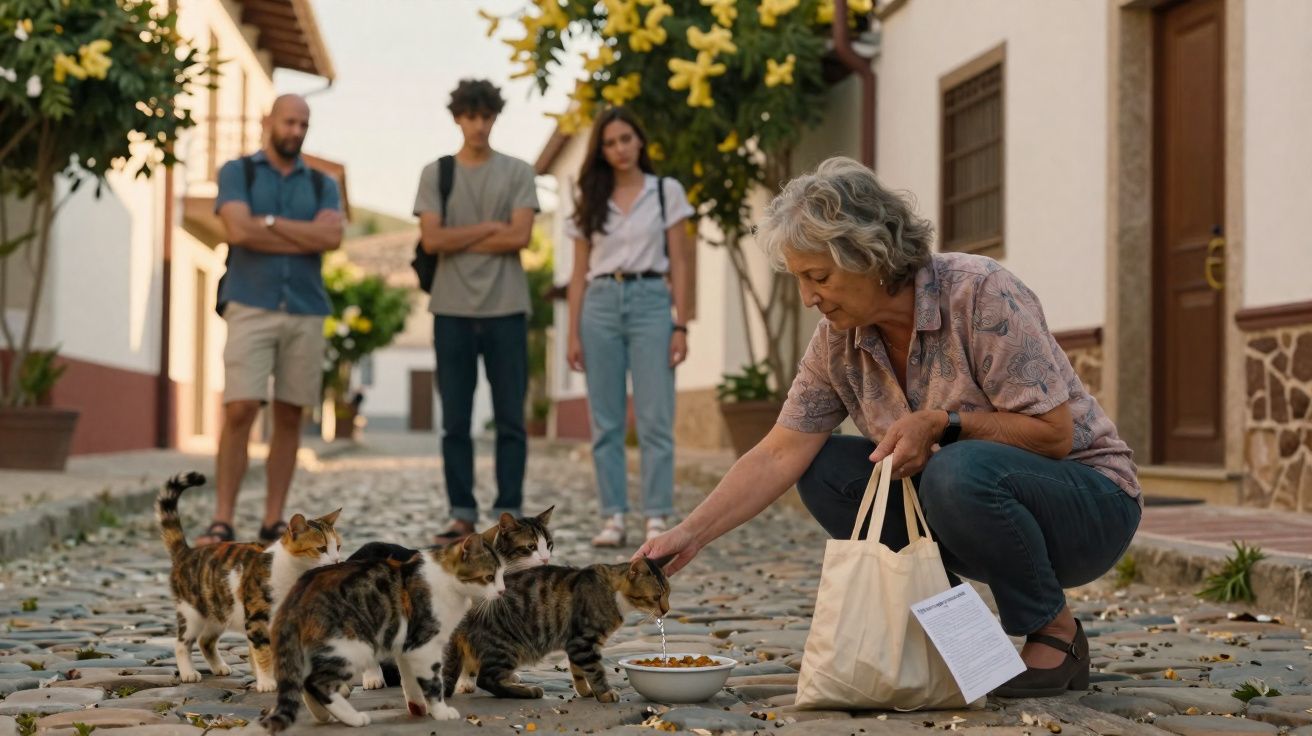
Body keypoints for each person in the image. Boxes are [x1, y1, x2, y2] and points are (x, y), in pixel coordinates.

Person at [639, 157, 1142, 698]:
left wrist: (944, 424)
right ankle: (969, 642)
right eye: (801, 280)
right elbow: (780, 451)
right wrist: (689, 534)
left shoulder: (981, 291)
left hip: (1087, 503)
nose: (809, 297)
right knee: (826, 470)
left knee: (956, 467)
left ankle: (1057, 635)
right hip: (970, 509)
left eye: (819, 277)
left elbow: (1053, 435)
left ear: (868, 255)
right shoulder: (838, 339)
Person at [202, 94, 344, 545]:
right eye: (289, 122)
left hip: (305, 307)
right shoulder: (237, 172)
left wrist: (268, 224)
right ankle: (223, 518)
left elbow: (331, 236)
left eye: (304, 124)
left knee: (289, 414)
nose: (296, 131)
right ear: (268, 120)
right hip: (250, 302)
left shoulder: (324, 184)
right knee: (240, 408)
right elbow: (238, 231)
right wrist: (299, 235)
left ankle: (273, 520)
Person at [415, 79, 539, 543]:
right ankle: (461, 512)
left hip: (507, 308)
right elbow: (432, 239)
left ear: (495, 118)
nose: (478, 125)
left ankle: (508, 510)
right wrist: (490, 227)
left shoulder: (518, 172)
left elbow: (519, 237)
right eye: (470, 116)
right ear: (457, 118)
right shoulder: (436, 173)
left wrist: (460, 233)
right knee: (455, 421)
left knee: (510, 417)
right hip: (450, 308)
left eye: (486, 116)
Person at [565, 108, 695, 547]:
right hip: (599, 303)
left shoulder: (665, 192)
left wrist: (682, 323)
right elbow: (579, 270)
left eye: (625, 138)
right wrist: (572, 333)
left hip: (651, 302)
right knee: (605, 420)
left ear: (639, 140)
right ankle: (614, 517)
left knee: (656, 415)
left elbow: (680, 260)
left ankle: (656, 515)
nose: (619, 148)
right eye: (609, 142)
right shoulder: (589, 196)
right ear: (600, 151)